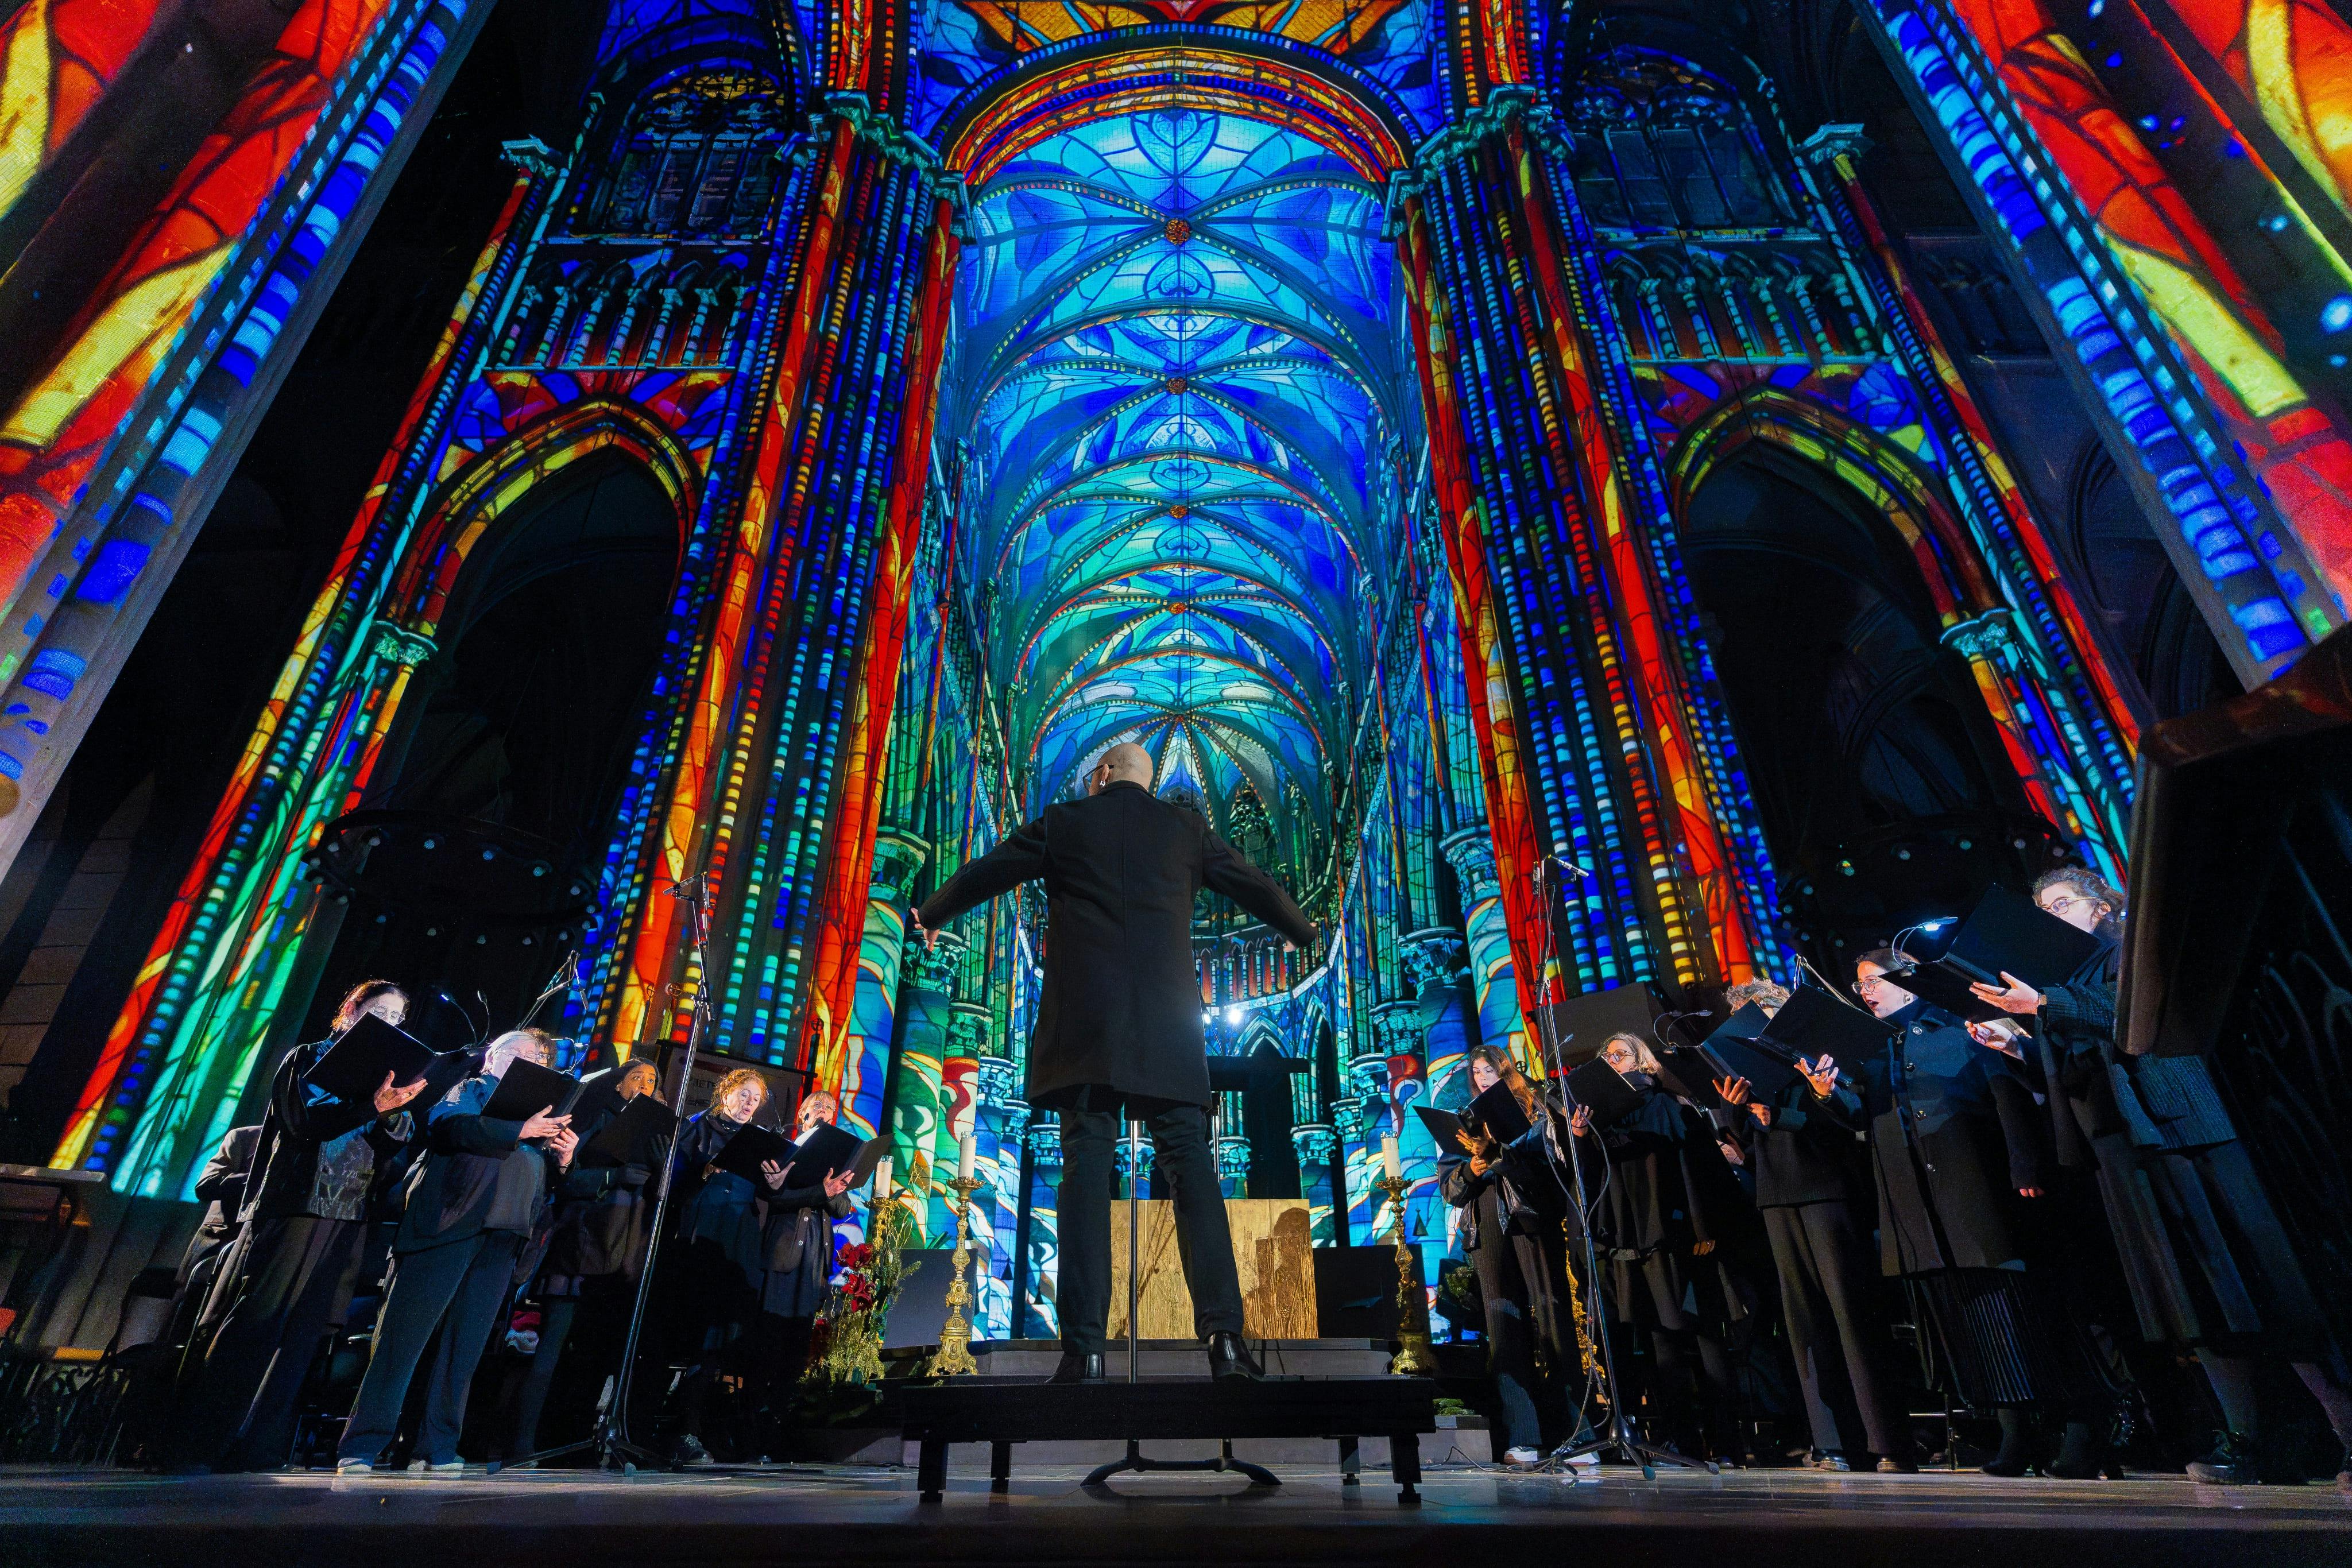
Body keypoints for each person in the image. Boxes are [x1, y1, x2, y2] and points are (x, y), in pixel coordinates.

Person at [912, 741, 1315, 1383]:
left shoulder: (1066, 821)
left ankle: (1084, 1350)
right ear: (1145, 780)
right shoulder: (1186, 827)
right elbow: (1252, 881)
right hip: (1168, 1027)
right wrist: (1301, 930)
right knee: (1192, 1170)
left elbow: (993, 868)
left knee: (1085, 1172)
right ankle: (1224, 1340)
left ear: (1101, 774)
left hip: (1086, 1026)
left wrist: (934, 911)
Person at [1970, 869, 2352, 1487]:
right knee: (2190, 1300)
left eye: (2061, 904)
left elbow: (2133, 1019)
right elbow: (2078, 1067)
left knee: (2260, 1285)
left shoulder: (2132, 951)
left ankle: (2343, 1429)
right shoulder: (2063, 984)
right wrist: (2017, 1045)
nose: (2050, 916)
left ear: (2102, 907)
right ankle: (2248, 1439)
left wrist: (2042, 1005)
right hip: (2126, 1150)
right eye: (2042, 909)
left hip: (2187, 1133)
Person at [1855, 948, 2105, 1477]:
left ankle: (2082, 1428)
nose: (1866, 993)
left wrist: (2026, 1165)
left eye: (1872, 981)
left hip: (1985, 1191)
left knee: (2028, 1312)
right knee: (1981, 1329)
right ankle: (2017, 1435)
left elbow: (2007, 1091)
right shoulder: (1876, 1046)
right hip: (1928, 1211)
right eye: (1860, 986)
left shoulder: (1957, 1021)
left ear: (1906, 977)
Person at [166, 980, 425, 1472]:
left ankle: (259, 1448)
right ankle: (198, 1445)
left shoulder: (386, 1078)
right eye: (381, 1012)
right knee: (256, 1322)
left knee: (305, 1334)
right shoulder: (309, 1056)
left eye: (398, 1018)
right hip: (297, 1203)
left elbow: (396, 1143)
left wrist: (393, 1112)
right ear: (353, 1009)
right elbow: (305, 1122)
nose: (389, 1024)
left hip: (350, 1211)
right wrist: (372, 1106)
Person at [336, 1028, 577, 1474]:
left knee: (464, 1351)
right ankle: (364, 1444)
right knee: (402, 1342)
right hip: (448, 1225)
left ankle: (437, 1447)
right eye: (519, 1051)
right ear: (491, 1058)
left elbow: (542, 1180)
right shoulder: (471, 1088)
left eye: (539, 1057)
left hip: (504, 1237)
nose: (531, 1059)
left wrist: (561, 1161)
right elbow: (448, 1127)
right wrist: (519, 1129)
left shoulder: (543, 1114)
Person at [1713, 978, 1916, 1473]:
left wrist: (1808, 1100)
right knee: (1804, 1324)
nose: (1745, 1023)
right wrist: (1733, 1106)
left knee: (1852, 1315)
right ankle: (1831, 1442)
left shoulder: (1817, 1048)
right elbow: (1742, 1142)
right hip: (1776, 1198)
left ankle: (1887, 1441)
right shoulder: (1746, 1064)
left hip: (1827, 1190)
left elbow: (1852, 1117)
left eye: (1752, 1012)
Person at [1570, 1031, 1744, 1461]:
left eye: (1620, 1054)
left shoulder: (1667, 1104)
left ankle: (1727, 1444)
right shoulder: (1599, 1122)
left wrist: (1703, 1230)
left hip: (1678, 1235)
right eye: (1606, 1056)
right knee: (1658, 1346)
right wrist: (1580, 1135)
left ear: (1643, 1062)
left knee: (1703, 1337)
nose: (1612, 1060)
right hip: (1630, 1242)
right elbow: (1590, 1180)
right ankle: (1681, 1442)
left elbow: (1696, 1167)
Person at [506, 1058, 667, 1461]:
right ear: (617, 1084)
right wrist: (612, 1177)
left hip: (623, 1257)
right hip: (579, 1250)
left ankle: (572, 1445)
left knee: (594, 1360)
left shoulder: (657, 1133)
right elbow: (563, 1178)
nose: (645, 1084)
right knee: (552, 1354)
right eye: (637, 1077)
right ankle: (524, 1443)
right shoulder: (595, 1115)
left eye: (653, 1080)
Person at [1437, 1045, 1586, 1467]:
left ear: (1506, 1070)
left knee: (1553, 1318)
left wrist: (1497, 1155)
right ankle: (1524, 1435)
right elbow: (1451, 1189)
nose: (1482, 1077)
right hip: (1486, 1224)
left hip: (1532, 1218)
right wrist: (1472, 1168)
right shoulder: (1464, 1122)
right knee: (1504, 1326)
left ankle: (1575, 1433)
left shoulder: (1534, 1107)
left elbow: (1551, 1170)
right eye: (1476, 1072)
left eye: (1489, 1069)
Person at [664, 1066, 773, 1464]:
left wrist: (776, 1182)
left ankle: (700, 1428)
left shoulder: (757, 1141)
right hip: (701, 1234)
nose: (749, 1104)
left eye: (755, 1100)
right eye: (744, 1094)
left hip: (738, 1241)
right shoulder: (698, 1127)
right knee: (691, 1332)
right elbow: (670, 1182)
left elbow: (769, 1193)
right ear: (726, 1092)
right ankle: (675, 1429)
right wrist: (704, 1171)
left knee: (721, 1340)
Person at [751, 1088, 856, 1443]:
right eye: (818, 1106)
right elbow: (773, 1198)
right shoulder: (784, 1149)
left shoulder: (834, 1161)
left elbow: (842, 1209)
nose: (825, 1111)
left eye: (831, 1108)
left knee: (796, 1351)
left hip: (813, 1261)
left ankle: (778, 1431)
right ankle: (752, 1431)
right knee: (769, 1344)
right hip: (783, 1254)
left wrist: (835, 1189)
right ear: (804, 1114)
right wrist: (820, 1193)